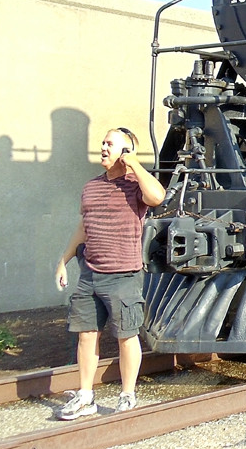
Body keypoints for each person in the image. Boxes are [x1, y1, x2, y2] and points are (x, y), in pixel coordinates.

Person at [53, 126, 166, 419]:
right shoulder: (91, 187)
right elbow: (83, 227)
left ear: (126, 152)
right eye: (103, 142)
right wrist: (63, 261)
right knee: (86, 335)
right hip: (89, 273)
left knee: (126, 336)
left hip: (123, 276)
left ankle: (127, 395)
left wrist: (135, 165)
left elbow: (157, 197)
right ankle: (85, 397)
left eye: (110, 144)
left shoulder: (135, 185)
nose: (103, 147)